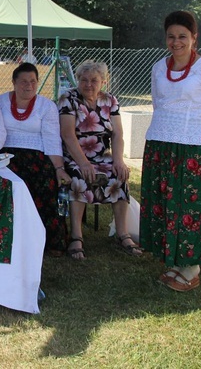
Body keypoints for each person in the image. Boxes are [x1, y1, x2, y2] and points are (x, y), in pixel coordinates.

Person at [140, 10, 201, 292]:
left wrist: (195, 137)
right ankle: (175, 260)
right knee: (165, 202)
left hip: (192, 149)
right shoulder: (157, 67)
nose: (177, 42)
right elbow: (158, 103)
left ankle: (192, 266)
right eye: (171, 37)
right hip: (159, 143)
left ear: (194, 37)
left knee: (188, 205)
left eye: (183, 36)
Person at [58, 60, 140, 260]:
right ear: (77, 80)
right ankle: (76, 236)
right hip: (75, 155)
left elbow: (118, 134)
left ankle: (122, 233)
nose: (88, 84)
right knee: (79, 177)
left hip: (103, 156)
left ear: (103, 81)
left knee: (120, 176)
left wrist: (118, 160)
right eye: (83, 80)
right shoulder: (68, 98)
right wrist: (84, 162)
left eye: (94, 80)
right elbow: (67, 135)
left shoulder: (110, 100)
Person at [0, 63, 70, 256]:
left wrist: (59, 168)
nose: (28, 86)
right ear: (13, 82)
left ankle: (50, 242)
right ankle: (6, 239)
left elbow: (52, 139)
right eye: (23, 82)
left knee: (46, 184)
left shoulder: (46, 106)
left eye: (33, 81)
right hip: (6, 155)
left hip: (37, 155)